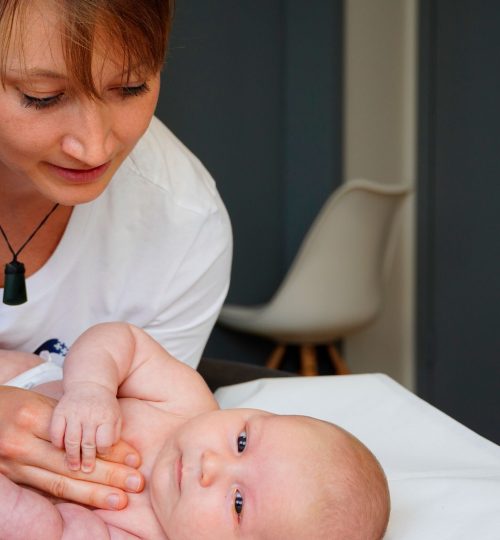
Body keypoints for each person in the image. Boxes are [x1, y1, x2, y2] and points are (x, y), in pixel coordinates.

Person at [0, 0, 232, 508]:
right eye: (42, 97)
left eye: (131, 88)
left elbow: (134, 465)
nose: (94, 147)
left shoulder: (184, 227)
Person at [0, 322, 390, 540]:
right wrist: (91, 388)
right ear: (257, 412)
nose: (210, 466)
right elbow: (123, 342)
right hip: (28, 382)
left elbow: (48, 530)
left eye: (238, 503)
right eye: (241, 442)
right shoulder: (186, 404)